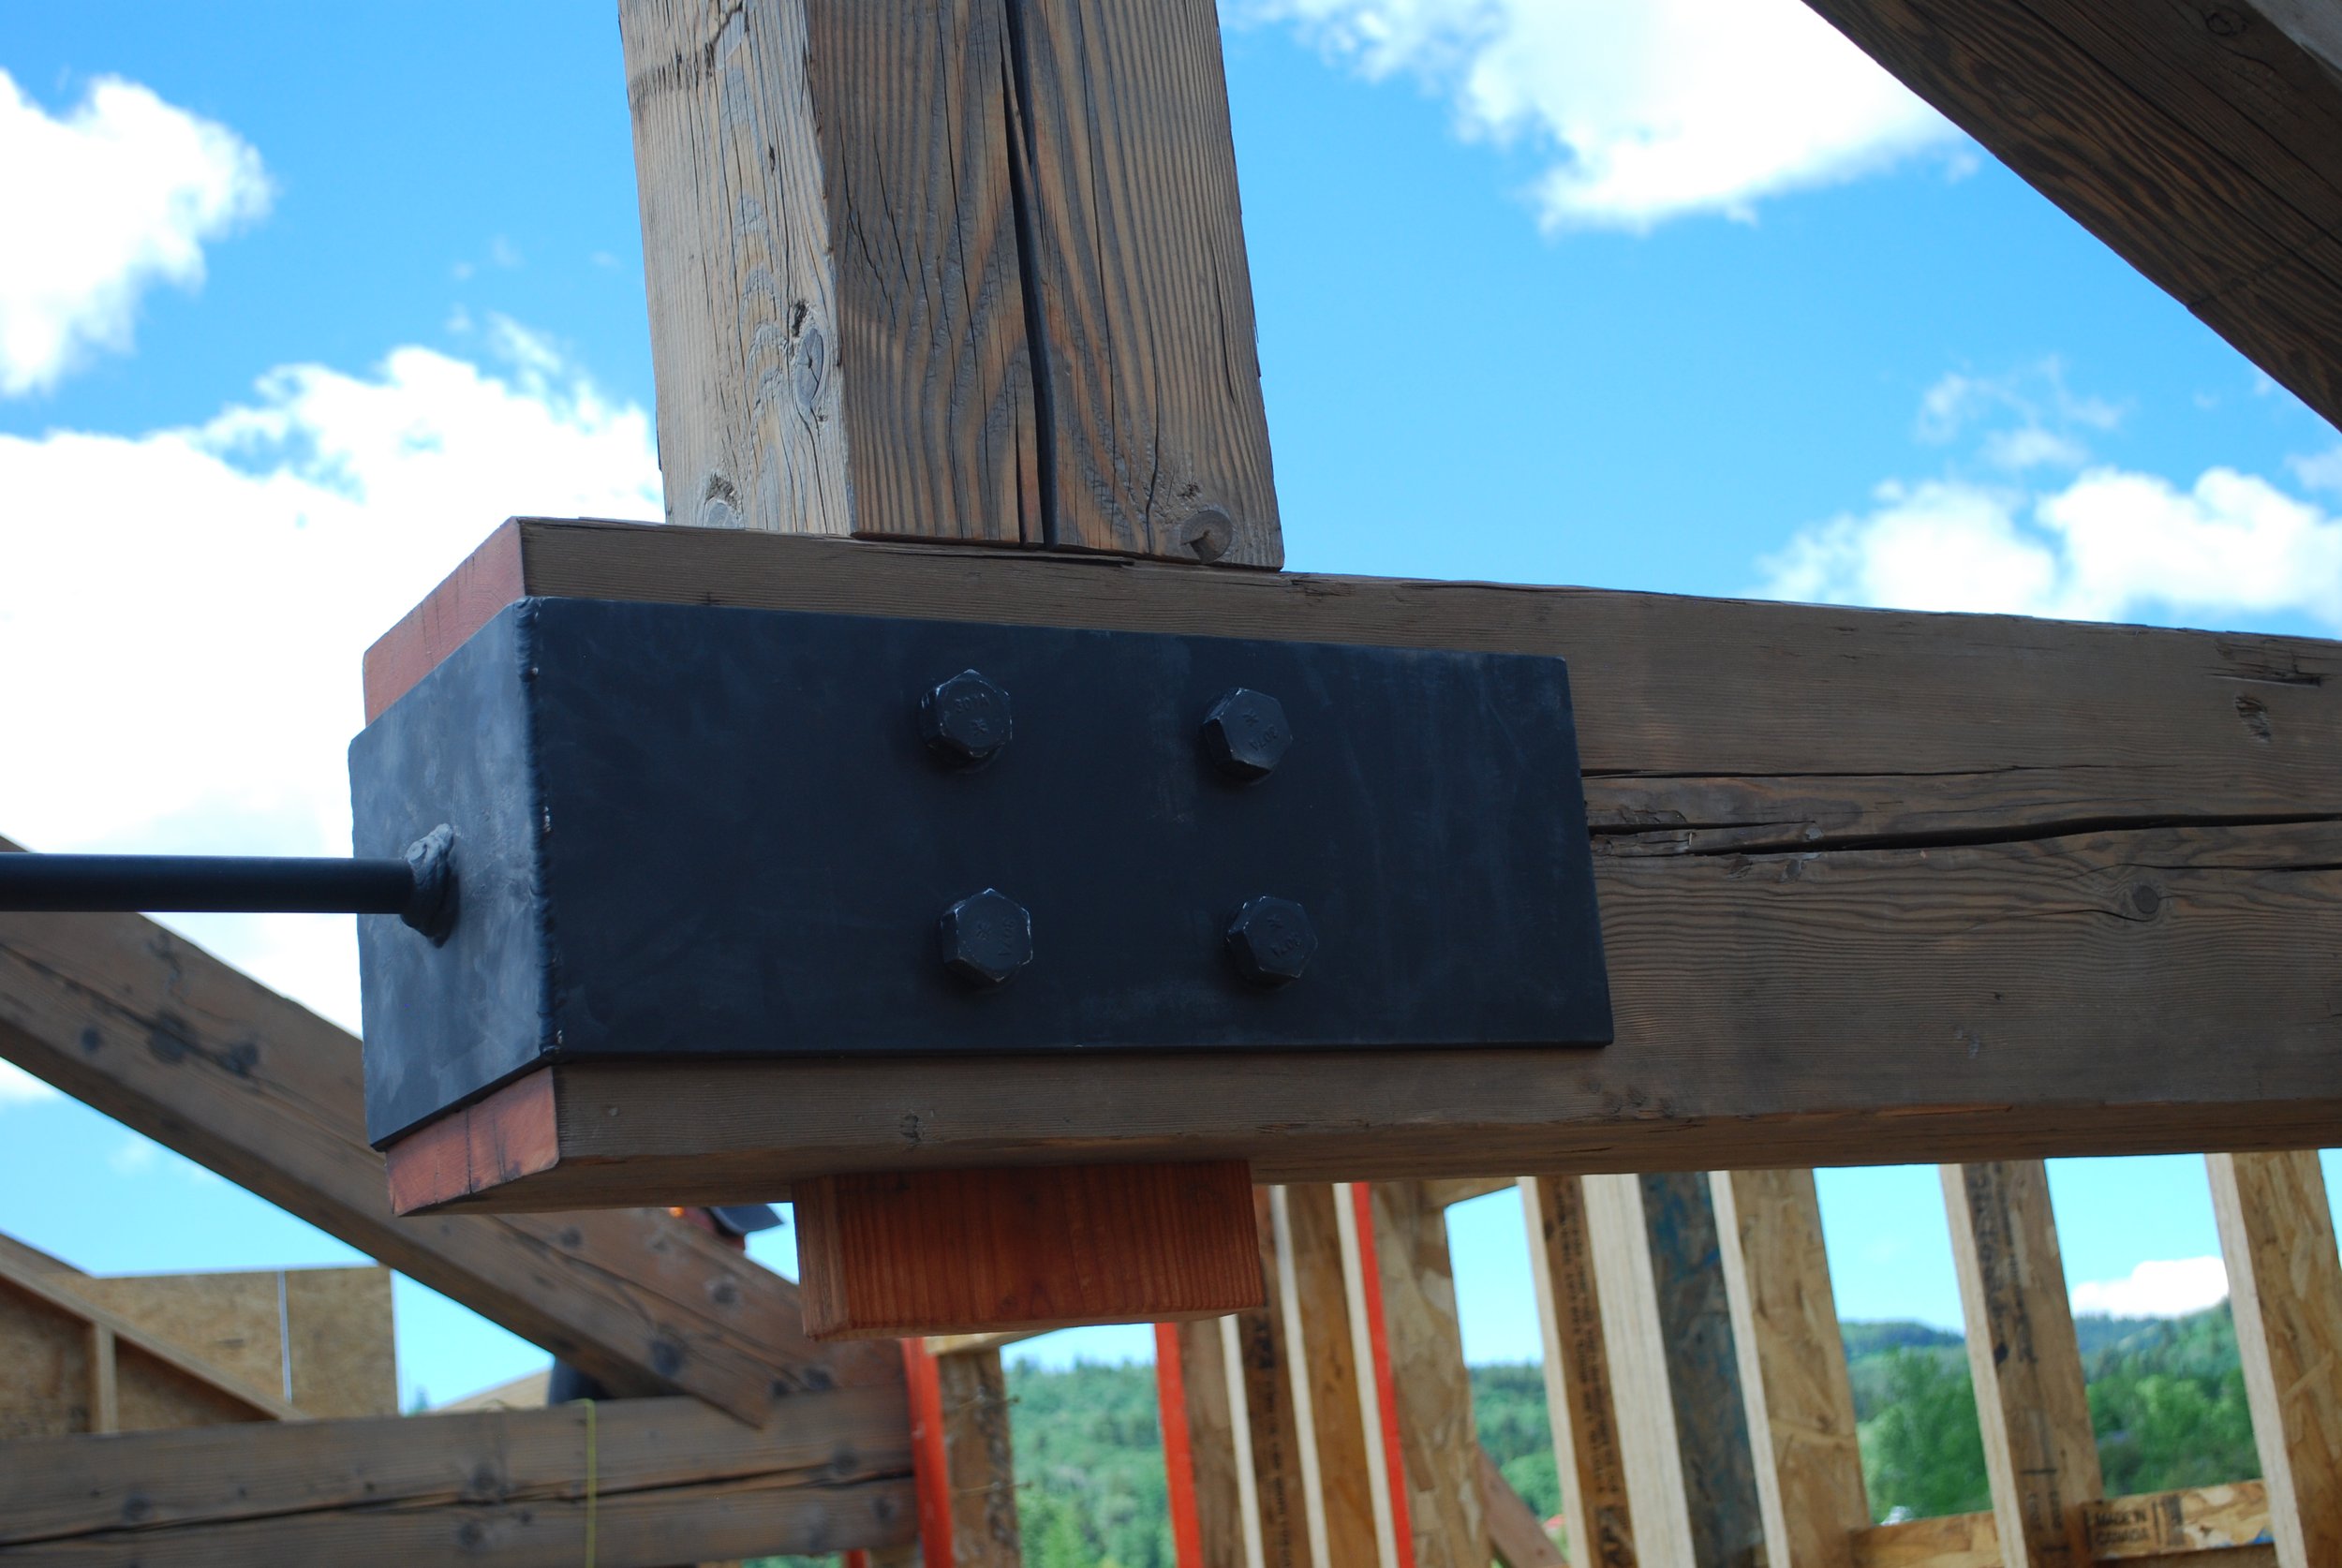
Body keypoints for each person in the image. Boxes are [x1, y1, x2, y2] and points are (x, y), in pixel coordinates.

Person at [544, 1205, 781, 1403]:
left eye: (742, 1235)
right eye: (726, 1230)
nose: (740, 1246)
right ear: (682, 1212)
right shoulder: (621, 1294)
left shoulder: (725, 1322)